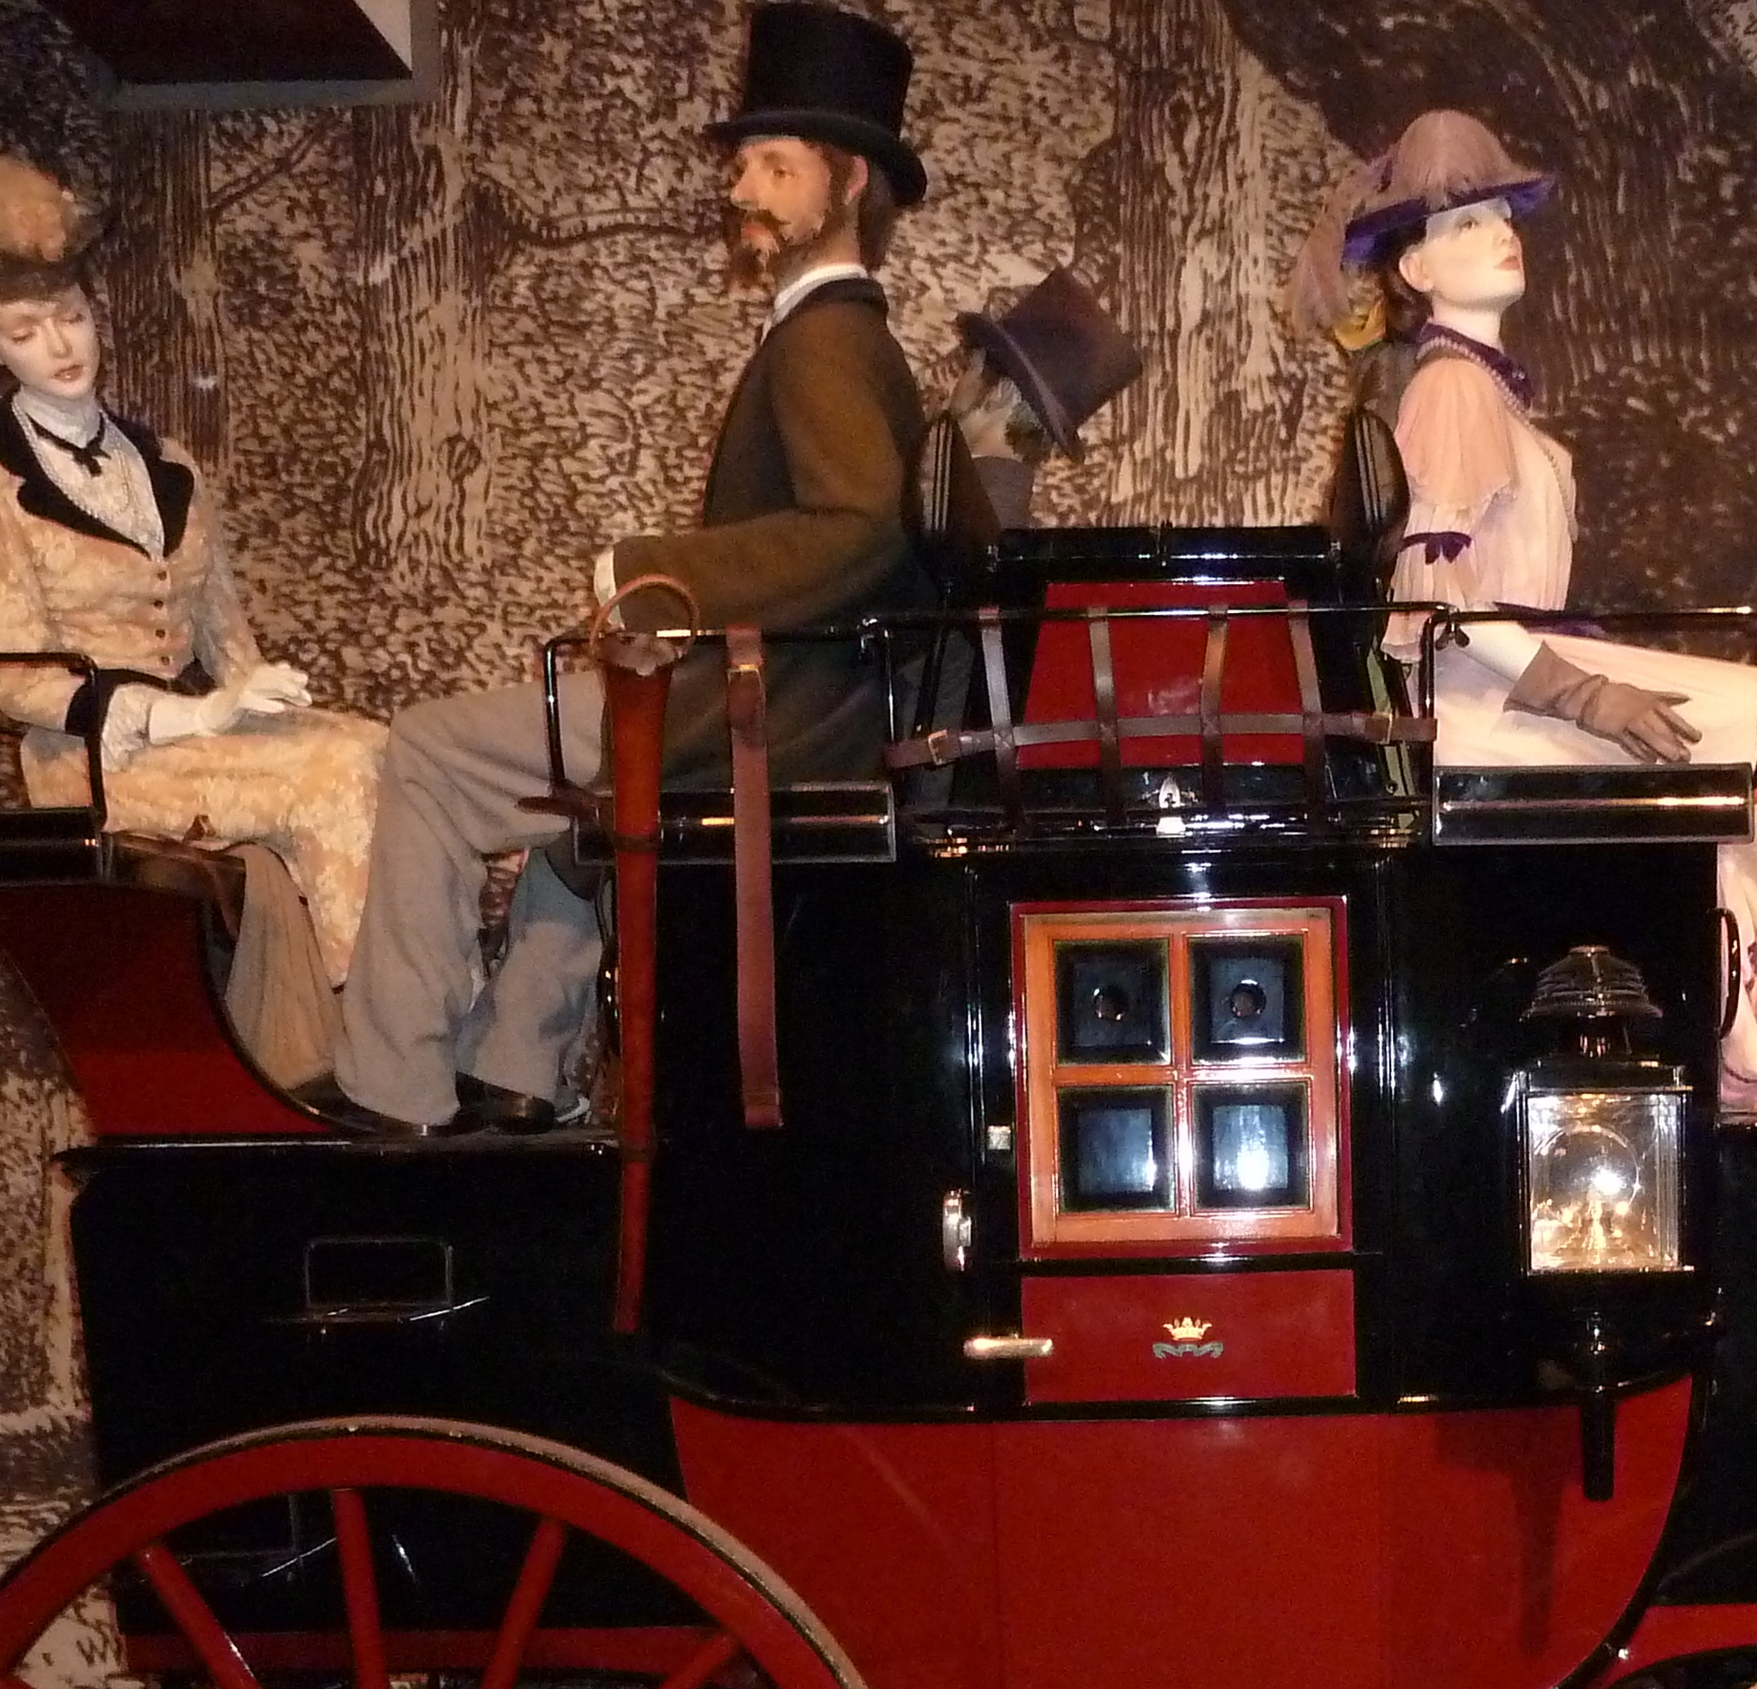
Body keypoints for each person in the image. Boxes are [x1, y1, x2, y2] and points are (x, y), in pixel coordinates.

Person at [1290, 114, 1757, 1145]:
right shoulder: (1449, 388)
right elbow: (1435, 602)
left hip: (1520, 671)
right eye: (1465, 221)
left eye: (1503, 212)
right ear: (1415, 264)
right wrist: (1583, 692)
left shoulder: (1485, 390)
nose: (1501, 231)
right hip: (1485, 695)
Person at [324, 3, 935, 1135]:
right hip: (797, 700)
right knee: (576, 826)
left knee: (426, 750)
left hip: (763, 713)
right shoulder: (847, 338)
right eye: (742, 164)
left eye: (773, 166)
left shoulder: (826, 341)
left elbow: (860, 530)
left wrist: (644, 566)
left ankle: (391, 1082)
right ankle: (515, 1064)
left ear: (848, 184)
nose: (741, 190)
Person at [0, 158, 382, 1090]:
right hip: (94, 762)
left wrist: (251, 697)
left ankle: (399, 1034)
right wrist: (192, 717)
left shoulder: (166, 461)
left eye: (72, 317)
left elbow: (226, 632)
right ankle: (374, 1053)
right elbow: (20, 684)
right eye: (26, 329)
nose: (59, 343)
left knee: (389, 750)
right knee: (336, 774)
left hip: (203, 741)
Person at [944, 266, 1146, 532]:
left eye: (969, 366)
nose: (955, 385)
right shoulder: (991, 517)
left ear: (1001, 394)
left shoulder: (960, 526)